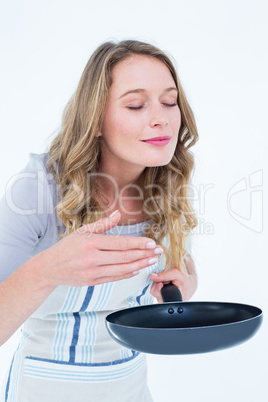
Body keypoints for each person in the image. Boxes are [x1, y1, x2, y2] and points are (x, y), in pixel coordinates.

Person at [0, 39, 199, 401]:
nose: (162, 117)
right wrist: (47, 270)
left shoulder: (167, 183)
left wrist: (186, 281)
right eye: (136, 104)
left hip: (130, 389)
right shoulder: (38, 188)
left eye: (170, 101)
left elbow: (182, 262)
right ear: (95, 122)